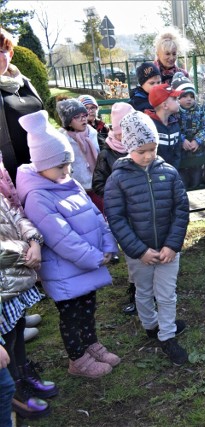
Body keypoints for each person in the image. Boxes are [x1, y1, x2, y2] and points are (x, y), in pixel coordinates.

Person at [16, 110, 120, 379]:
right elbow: (61, 238)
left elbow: (96, 215)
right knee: (72, 316)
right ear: (41, 163)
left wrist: (108, 243)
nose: (66, 171)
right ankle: (78, 358)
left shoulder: (66, 182)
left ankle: (91, 344)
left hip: (87, 264)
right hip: (67, 271)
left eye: (68, 165)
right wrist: (95, 257)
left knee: (88, 309)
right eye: (60, 166)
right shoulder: (38, 196)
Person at [104, 111, 190, 366]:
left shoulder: (170, 173)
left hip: (167, 250)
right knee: (143, 291)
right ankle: (150, 325)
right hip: (139, 254)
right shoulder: (117, 179)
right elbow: (116, 219)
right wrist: (139, 250)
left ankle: (167, 335)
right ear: (129, 147)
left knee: (166, 294)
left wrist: (172, 245)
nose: (149, 155)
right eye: (142, 150)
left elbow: (181, 209)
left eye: (153, 148)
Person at [0, 152, 56, 421]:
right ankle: (14, 395)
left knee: (18, 329)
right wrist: (25, 250)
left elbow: (15, 216)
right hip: (4, 284)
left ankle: (24, 374)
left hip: (14, 281)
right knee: (7, 342)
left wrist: (34, 240)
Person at [91, 102, 137, 315]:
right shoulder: (107, 154)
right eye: (119, 134)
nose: (122, 139)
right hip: (123, 213)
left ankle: (152, 290)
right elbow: (98, 183)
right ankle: (135, 292)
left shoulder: (142, 148)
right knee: (132, 255)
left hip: (144, 211)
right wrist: (117, 194)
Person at [0, 27, 45, 183]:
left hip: (44, 168)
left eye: (0, 51)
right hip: (10, 176)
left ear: (10, 54)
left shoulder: (25, 82)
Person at [56, 99, 102, 211]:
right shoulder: (62, 140)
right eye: (77, 117)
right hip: (76, 187)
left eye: (84, 115)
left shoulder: (92, 134)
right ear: (68, 122)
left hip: (96, 183)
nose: (83, 119)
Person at [171, 72, 205, 189]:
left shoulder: (200, 110)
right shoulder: (174, 113)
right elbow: (173, 129)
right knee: (182, 184)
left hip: (197, 154)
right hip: (180, 156)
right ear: (177, 98)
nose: (189, 99)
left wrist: (197, 141)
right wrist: (182, 140)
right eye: (184, 96)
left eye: (191, 96)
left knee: (196, 182)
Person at [145, 83, 186, 169]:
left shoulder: (174, 124)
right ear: (165, 105)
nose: (178, 101)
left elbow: (177, 153)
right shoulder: (149, 126)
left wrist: (172, 171)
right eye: (174, 99)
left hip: (172, 172)